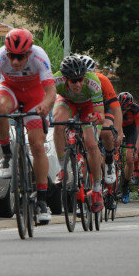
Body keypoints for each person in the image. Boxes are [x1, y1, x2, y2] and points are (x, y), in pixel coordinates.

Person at [0, 28, 57, 224]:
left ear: (29, 53)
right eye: (11, 56)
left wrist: (46, 105)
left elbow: (50, 91)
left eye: (20, 57)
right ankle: (7, 154)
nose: (14, 62)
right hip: (10, 90)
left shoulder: (39, 56)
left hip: (34, 96)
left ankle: (41, 200)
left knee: (37, 145)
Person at [52, 55, 106, 213]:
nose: (78, 84)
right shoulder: (56, 81)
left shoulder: (93, 82)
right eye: (73, 80)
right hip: (67, 102)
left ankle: (96, 188)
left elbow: (101, 115)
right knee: (58, 122)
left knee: (91, 144)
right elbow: (46, 100)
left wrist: (95, 118)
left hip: (88, 106)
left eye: (80, 79)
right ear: (65, 79)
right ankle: (63, 168)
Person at [77, 55, 122, 187]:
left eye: (89, 74)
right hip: (84, 107)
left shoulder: (103, 80)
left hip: (104, 106)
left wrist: (118, 133)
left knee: (106, 131)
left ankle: (108, 160)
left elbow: (116, 108)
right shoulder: (74, 82)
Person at [117, 92, 139, 203]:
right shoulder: (114, 106)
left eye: (125, 109)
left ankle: (125, 187)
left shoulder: (136, 109)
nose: (122, 111)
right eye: (120, 108)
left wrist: (136, 151)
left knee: (129, 159)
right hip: (118, 127)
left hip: (131, 131)